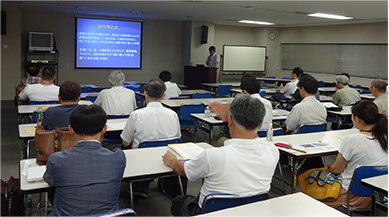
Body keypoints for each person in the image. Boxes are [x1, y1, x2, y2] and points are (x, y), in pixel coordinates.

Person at [162, 95, 279, 216]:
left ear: (230, 121)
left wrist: (172, 161)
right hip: (251, 211)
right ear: (260, 125)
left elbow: (183, 170)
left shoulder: (212, 156)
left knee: (178, 202)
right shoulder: (273, 151)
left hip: (212, 212)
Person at [43, 105, 126, 216]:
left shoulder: (56, 160)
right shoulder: (118, 157)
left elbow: (49, 180)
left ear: (71, 129)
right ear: (104, 129)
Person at [323, 100, 388, 209]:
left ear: (357, 119)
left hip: (352, 195)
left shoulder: (352, 139)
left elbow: (337, 170)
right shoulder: (384, 137)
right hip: (378, 195)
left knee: (313, 196)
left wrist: (331, 168)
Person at [121, 79, 181, 148]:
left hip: (142, 156)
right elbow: (177, 138)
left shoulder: (136, 115)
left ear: (145, 94)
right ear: (163, 96)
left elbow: (125, 143)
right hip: (166, 155)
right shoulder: (173, 114)